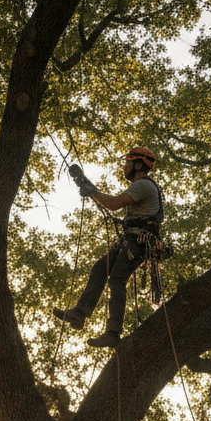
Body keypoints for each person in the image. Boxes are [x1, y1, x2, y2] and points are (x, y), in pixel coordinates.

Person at [52, 147, 163, 348]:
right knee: (99, 269)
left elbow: (113, 204)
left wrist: (92, 190)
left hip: (138, 242)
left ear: (138, 164)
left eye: (128, 162)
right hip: (130, 240)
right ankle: (80, 313)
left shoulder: (143, 185)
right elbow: (111, 203)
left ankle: (113, 333)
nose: (125, 167)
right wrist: (85, 183)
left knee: (117, 280)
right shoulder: (140, 187)